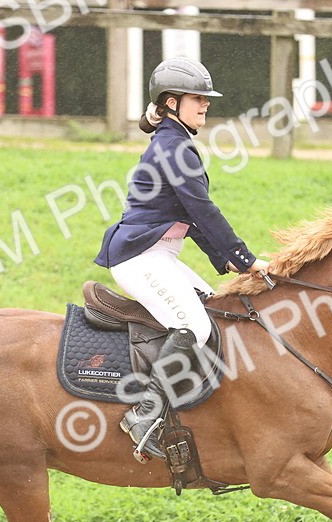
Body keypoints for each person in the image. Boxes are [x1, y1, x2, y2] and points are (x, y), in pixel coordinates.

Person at [94, 57, 268, 458]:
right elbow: (204, 211)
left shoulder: (176, 143)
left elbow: (190, 215)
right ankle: (144, 414)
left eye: (206, 98)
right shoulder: (174, 147)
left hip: (159, 256)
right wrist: (245, 260)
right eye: (197, 98)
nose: (205, 104)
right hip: (140, 259)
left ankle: (200, 408)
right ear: (171, 102)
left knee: (218, 313)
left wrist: (222, 260)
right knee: (195, 326)